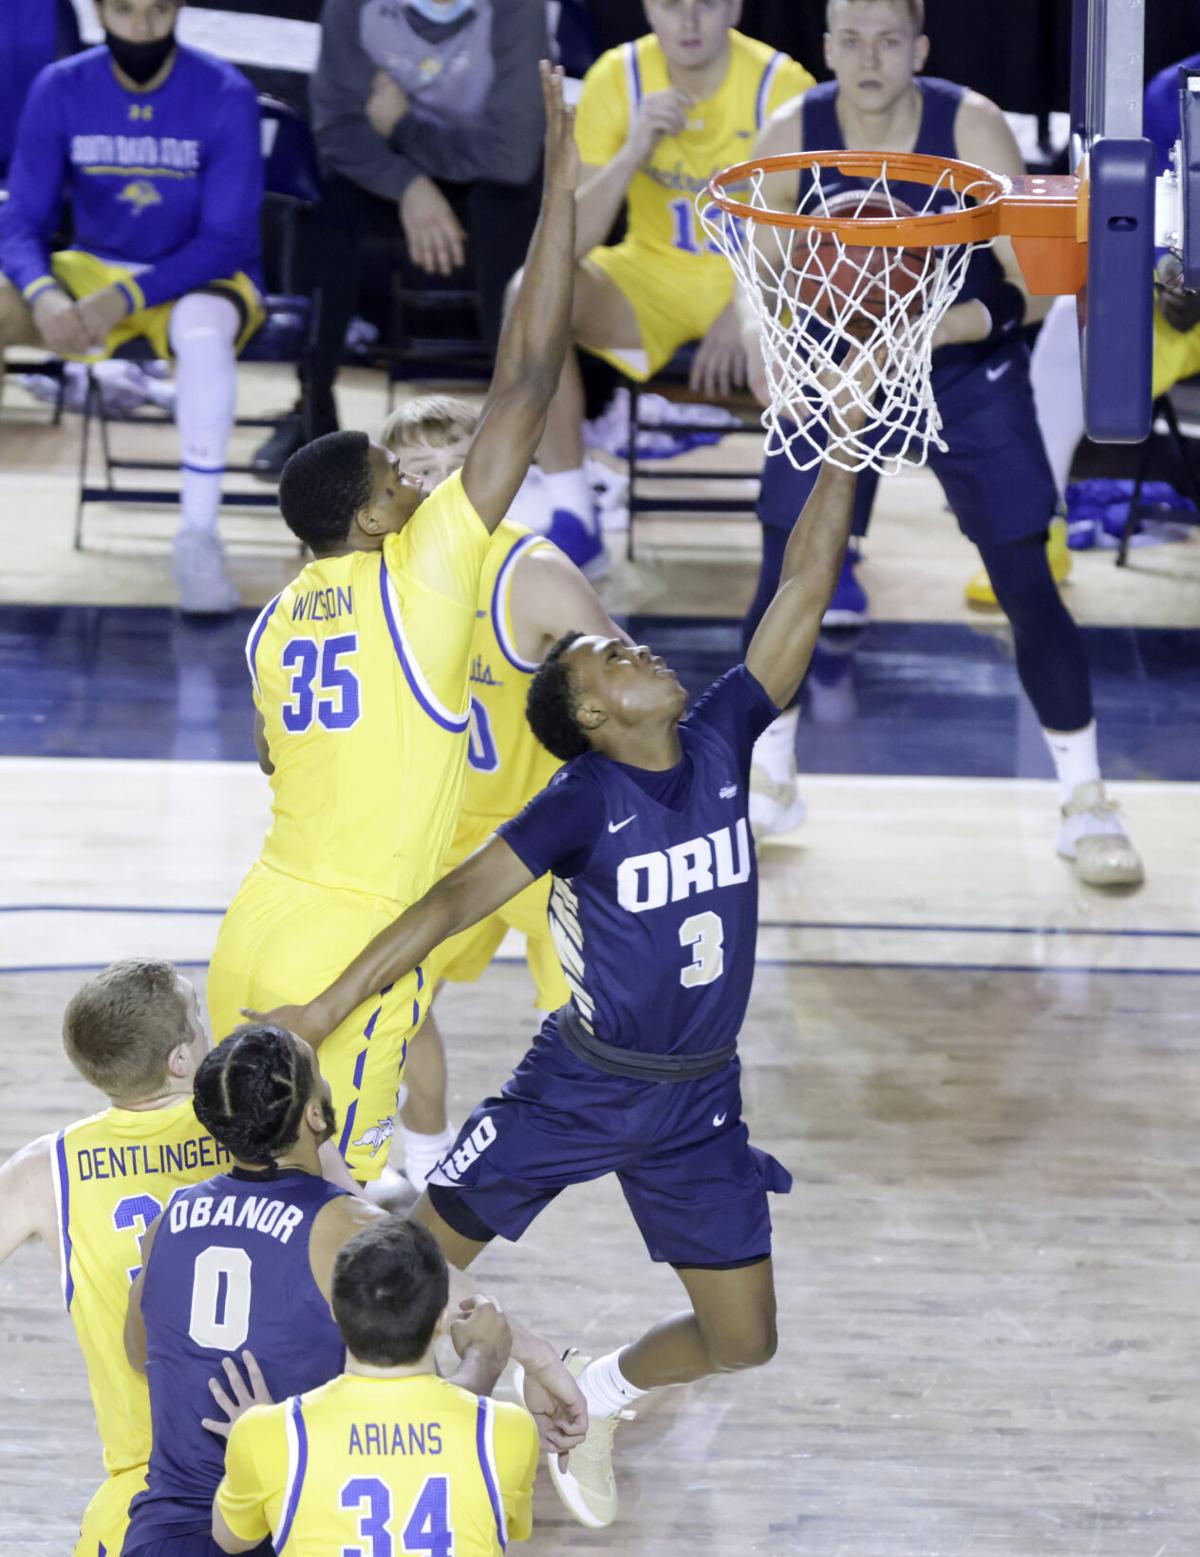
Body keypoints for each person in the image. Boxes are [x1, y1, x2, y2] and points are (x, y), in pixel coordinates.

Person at [246, 353, 879, 1529]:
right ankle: (289, 1424)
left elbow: (803, 583)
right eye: (609, 659)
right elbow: (444, 909)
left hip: (699, 1100)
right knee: (400, 1272)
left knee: (747, 1341)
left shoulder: (725, 732)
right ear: (590, 717)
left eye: (625, 647)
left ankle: (594, 1385)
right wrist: (324, 1011)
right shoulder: (578, 801)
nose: (632, 648)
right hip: (578, 1086)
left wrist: (842, 446)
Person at [206, 66, 581, 1187]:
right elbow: (527, 374)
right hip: (350, 950)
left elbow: (281, 757)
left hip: (257, 918)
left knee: (235, 1184)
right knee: (337, 1212)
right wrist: (560, 174)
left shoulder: (271, 624)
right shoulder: (420, 569)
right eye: (396, 476)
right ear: (371, 517)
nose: (422, 482)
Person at [737, 0, 1144, 888]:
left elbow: (1030, 289)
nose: (869, 56)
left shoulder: (972, 126)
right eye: (851, 37)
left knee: (1024, 579)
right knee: (787, 572)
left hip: (961, 367)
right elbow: (758, 274)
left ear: (919, 48)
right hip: (834, 365)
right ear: (828, 46)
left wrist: (921, 333)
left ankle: (1085, 798)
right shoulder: (790, 130)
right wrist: (769, 347)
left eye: (889, 39)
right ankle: (769, 775)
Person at [121, 1024, 581, 1556]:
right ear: (315, 1114)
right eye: (318, 1073)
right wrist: (535, 1360)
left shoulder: (167, 1220)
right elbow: (453, 1330)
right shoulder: (352, 1230)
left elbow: (139, 1355)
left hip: (165, 1531)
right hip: (294, 1525)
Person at [378, 394, 628, 1189]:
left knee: (607, 1032)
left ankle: (620, 1157)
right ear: (391, 491)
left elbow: (637, 693)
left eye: (462, 467)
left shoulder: (537, 574)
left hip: (548, 834)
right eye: (422, 473)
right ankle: (424, 1166)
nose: (446, 488)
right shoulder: (377, 574)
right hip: (443, 831)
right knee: (387, 992)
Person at [525, 0, 814, 573]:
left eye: (704, 5)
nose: (688, 21)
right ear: (648, 8)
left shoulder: (781, 83)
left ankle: (823, 551)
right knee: (531, 292)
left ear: (733, 8)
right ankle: (575, 514)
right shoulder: (618, 74)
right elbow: (565, 243)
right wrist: (635, 150)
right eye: (671, 4)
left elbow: (812, 229)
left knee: (835, 318)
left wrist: (747, 307)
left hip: (763, 279)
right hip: (654, 277)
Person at [0, 0, 265, 615]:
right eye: (125, 10)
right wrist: (40, 293)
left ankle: (198, 539)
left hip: (200, 273)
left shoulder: (225, 91)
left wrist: (125, 297)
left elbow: (228, 239)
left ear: (177, 9)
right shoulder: (61, 85)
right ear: (98, 11)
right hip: (95, 264)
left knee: (202, 333)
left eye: (157, 11)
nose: (142, 27)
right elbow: (20, 217)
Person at [253, 0, 549, 474]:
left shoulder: (516, 9)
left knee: (512, 209)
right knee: (320, 202)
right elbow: (338, 130)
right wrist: (408, 185)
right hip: (388, 168)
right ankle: (313, 415)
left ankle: (522, 431)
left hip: (483, 177)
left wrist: (405, 129)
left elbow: (511, 157)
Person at [0, 961, 229, 1557]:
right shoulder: (250, 1132)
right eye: (198, 1020)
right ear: (180, 1059)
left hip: (146, 1483)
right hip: (280, 1457)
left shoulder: (45, 1168)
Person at [212, 1218, 539, 1555]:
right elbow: (510, 1527)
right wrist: (483, 1358)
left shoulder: (268, 1434)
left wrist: (249, 1438)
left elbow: (233, 1540)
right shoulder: (509, 1430)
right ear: (442, 1315)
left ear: (334, 1311)